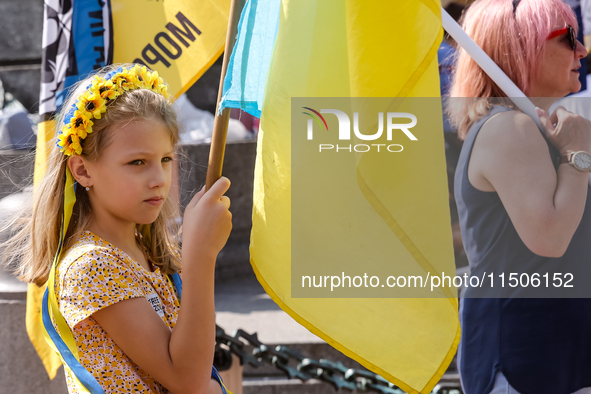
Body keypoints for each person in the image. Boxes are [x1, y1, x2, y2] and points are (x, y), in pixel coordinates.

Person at [1, 64, 232, 393]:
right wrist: (200, 256)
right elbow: (188, 380)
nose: (158, 179)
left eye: (166, 159)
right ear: (82, 170)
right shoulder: (93, 265)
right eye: (137, 162)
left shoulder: (143, 252)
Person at [448, 0, 591, 393]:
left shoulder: (531, 129)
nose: (581, 50)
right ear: (521, 46)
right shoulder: (509, 128)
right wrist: (579, 155)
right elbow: (550, 237)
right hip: (523, 361)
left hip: (556, 354)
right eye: (567, 38)